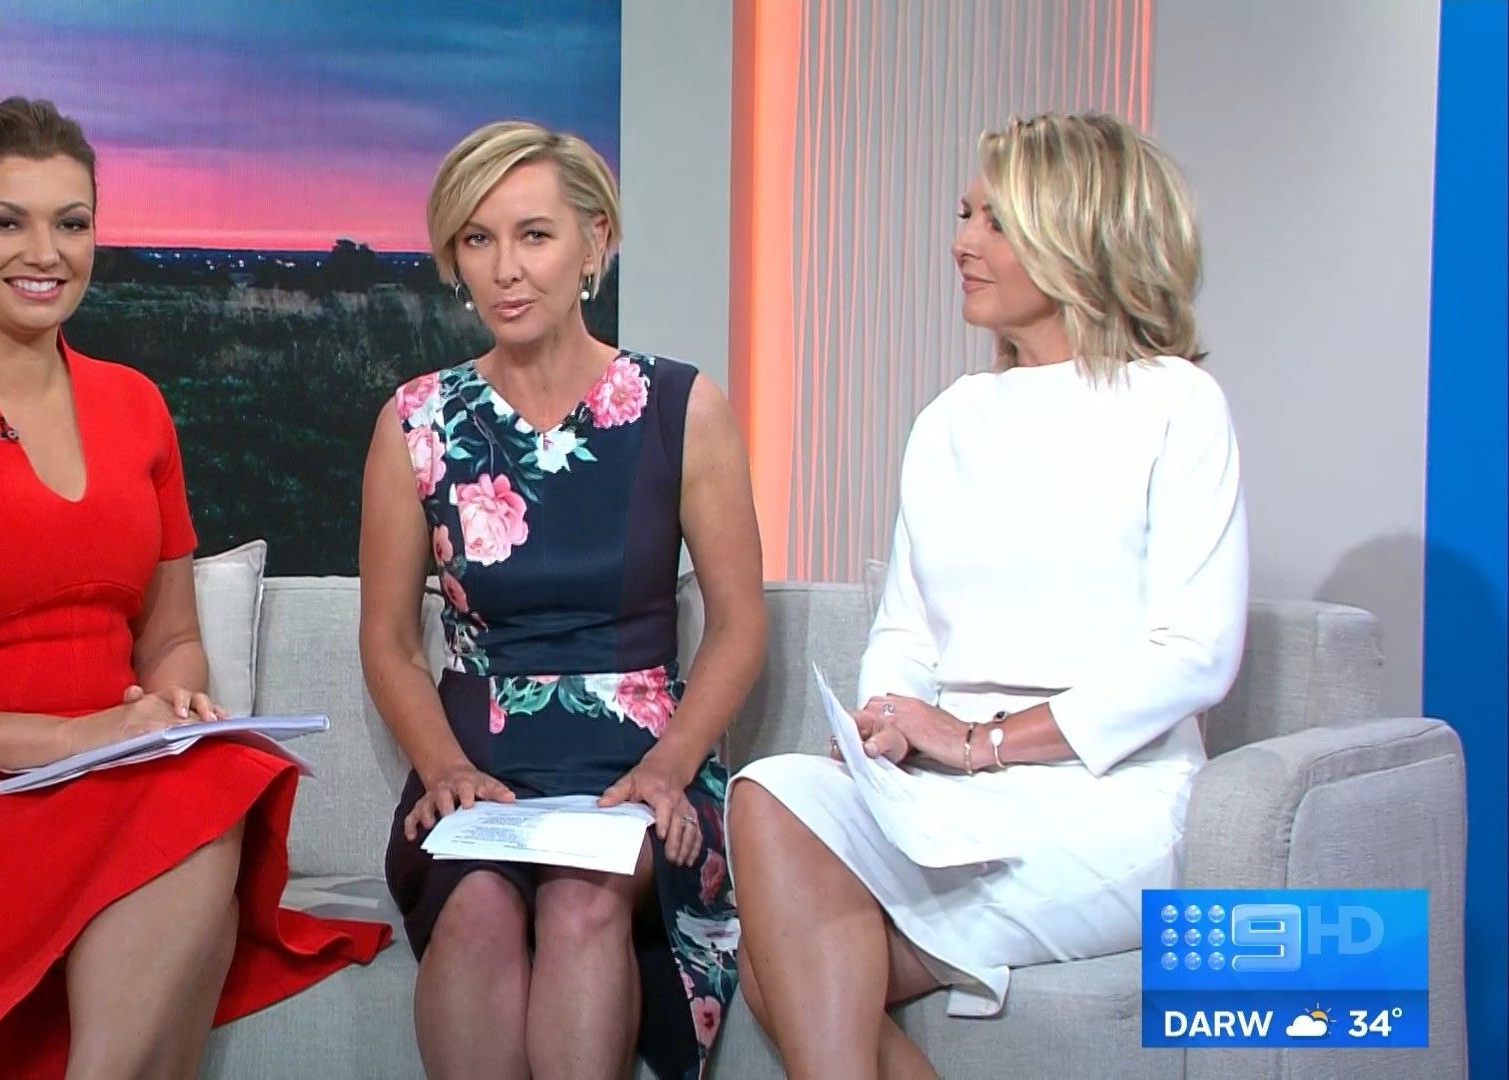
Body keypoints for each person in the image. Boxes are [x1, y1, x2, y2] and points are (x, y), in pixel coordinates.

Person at [0, 97, 387, 1079]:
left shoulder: (136, 407)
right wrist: (71, 740)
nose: (46, 253)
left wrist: (171, 708)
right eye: (6, 221)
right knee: (193, 817)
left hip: (107, 784)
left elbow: (171, 640)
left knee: (208, 786)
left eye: (71, 223)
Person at [730, 112, 1249, 1079]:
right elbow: (906, 629)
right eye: (964, 214)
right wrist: (889, 721)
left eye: (995, 221)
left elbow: (1196, 656)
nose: (962, 242)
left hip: (1109, 798)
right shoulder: (950, 419)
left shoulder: (1176, 404)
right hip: (944, 792)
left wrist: (981, 742)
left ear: (1078, 235)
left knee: (781, 965)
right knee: (769, 791)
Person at [359, 120, 766, 1080]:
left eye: (534, 235)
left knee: (583, 901)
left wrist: (670, 767)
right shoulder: (416, 421)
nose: (505, 268)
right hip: (479, 764)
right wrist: (443, 768)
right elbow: (389, 643)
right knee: (476, 913)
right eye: (478, 239)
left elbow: (740, 625)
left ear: (595, 242)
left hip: (638, 763)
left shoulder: (680, 406)